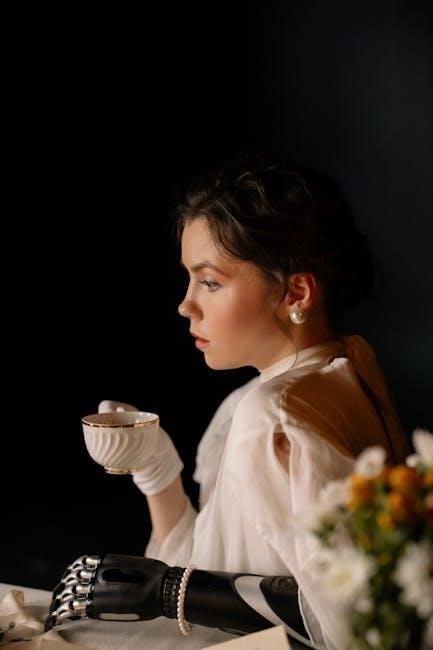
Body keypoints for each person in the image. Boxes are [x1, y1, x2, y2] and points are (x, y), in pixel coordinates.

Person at [100, 154, 409, 649]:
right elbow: (212, 566)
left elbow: (341, 624)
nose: (185, 304)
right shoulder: (351, 363)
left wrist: (168, 590)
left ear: (297, 293)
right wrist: (155, 467)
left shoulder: (268, 414)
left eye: (209, 281)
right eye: (189, 279)